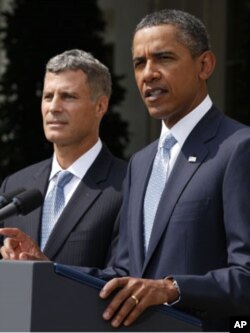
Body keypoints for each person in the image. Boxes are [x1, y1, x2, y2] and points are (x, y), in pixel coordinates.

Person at [1, 9, 250, 332]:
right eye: (139, 63)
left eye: (164, 58)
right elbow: (122, 275)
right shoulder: (142, 163)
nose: (149, 74)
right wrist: (48, 270)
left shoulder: (238, 148)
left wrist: (171, 288)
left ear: (204, 65)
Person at [0, 49, 127, 267]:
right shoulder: (16, 185)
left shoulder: (128, 184)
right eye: (48, 96)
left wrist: (49, 272)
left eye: (68, 96)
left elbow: (124, 278)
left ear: (100, 106)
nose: (54, 107)